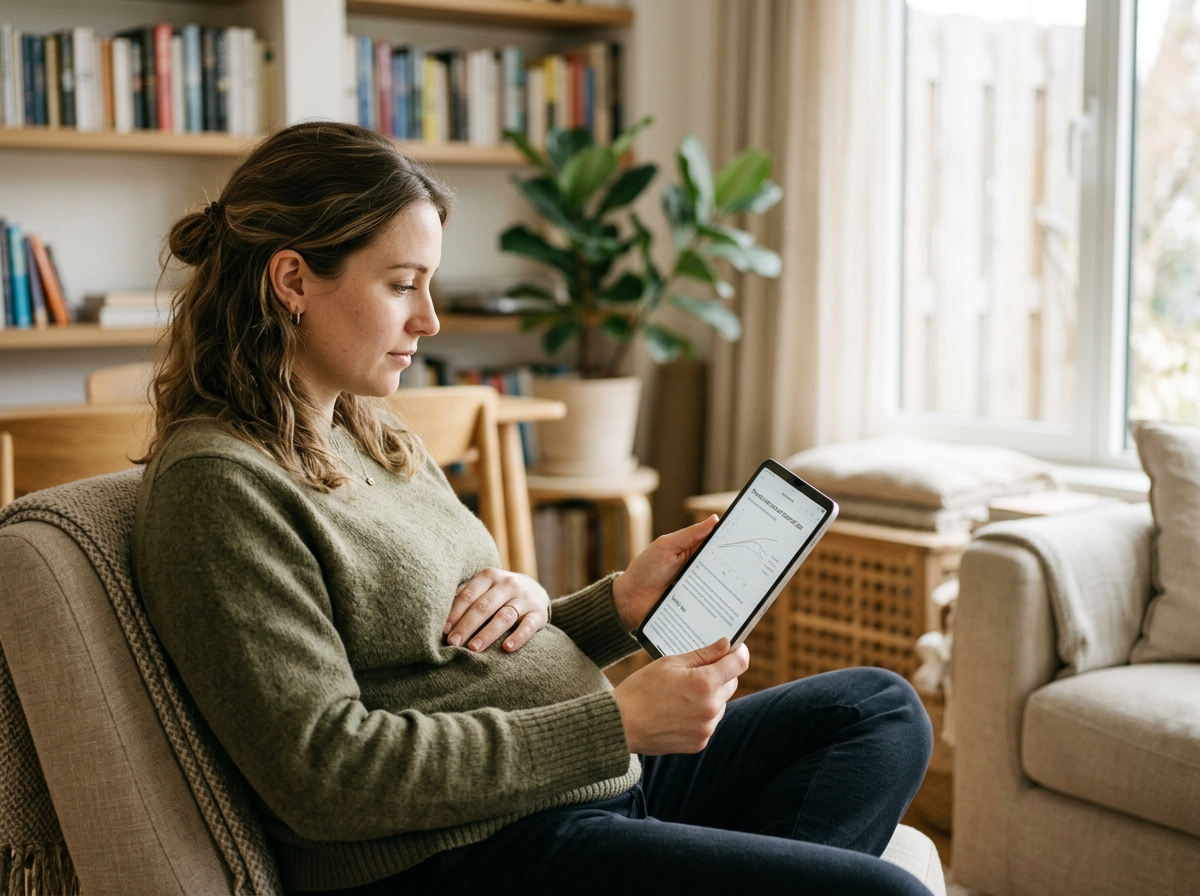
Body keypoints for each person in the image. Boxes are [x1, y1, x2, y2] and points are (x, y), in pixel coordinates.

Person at [132, 121, 934, 896]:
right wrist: (613, 727)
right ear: (294, 280)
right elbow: (326, 774)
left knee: (879, 709)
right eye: (403, 284)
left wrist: (615, 605)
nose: (430, 320)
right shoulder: (218, 486)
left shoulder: (365, 428)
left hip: (572, 784)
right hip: (465, 854)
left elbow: (459, 654)